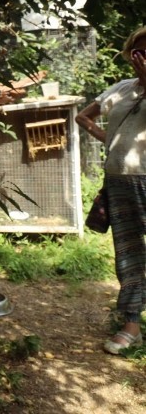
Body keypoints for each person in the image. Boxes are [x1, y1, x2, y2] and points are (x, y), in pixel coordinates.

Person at [76, 26, 146, 355]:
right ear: (130, 55)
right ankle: (132, 324)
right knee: (129, 254)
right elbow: (83, 117)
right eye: (139, 51)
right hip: (119, 182)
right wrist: (112, 141)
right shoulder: (120, 89)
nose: (144, 57)